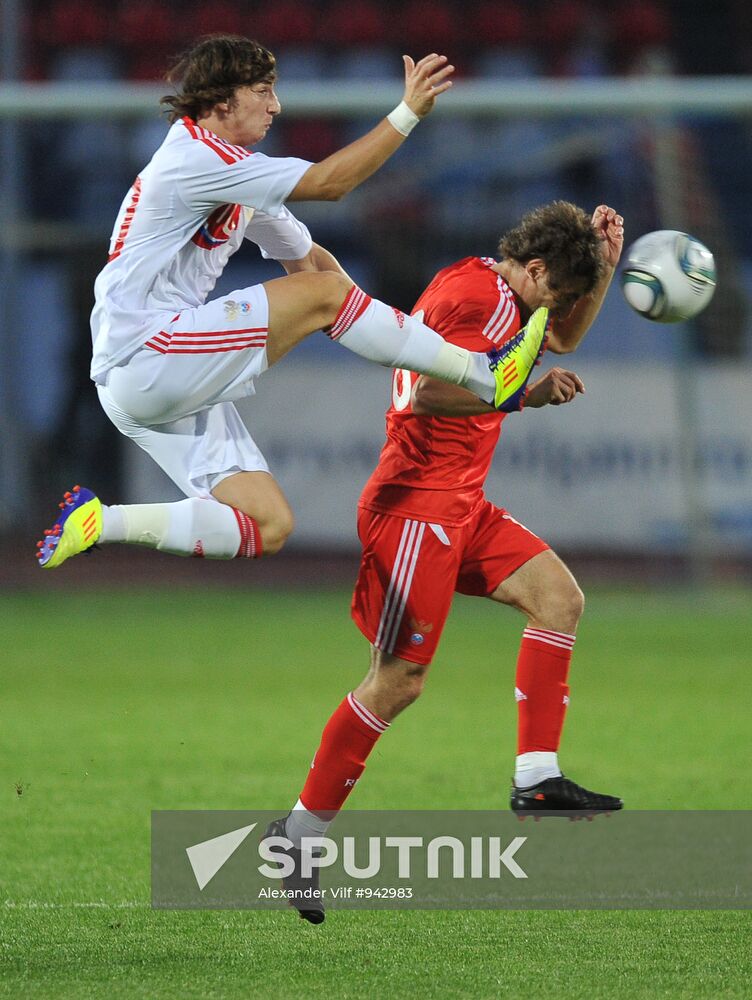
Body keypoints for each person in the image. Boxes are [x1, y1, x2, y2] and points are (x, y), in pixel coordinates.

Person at [36, 34, 547, 569]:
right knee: (324, 298)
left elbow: (313, 266)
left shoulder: (235, 171)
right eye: (263, 91)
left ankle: (100, 520)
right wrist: (407, 113)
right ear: (222, 101)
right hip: (149, 352)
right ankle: (485, 376)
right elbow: (330, 184)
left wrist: (408, 341)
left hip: (141, 379)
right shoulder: (195, 158)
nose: (276, 105)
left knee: (267, 524)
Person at [268, 201, 625, 924]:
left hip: (461, 506)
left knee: (560, 599)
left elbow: (559, 336)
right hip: (414, 510)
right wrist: (519, 398)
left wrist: (606, 272)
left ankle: (537, 778)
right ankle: (297, 839)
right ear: (532, 269)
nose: (558, 308)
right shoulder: (470, 298)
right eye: (559, 287)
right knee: (397, 682)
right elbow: (424, 390)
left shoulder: (510, 294)